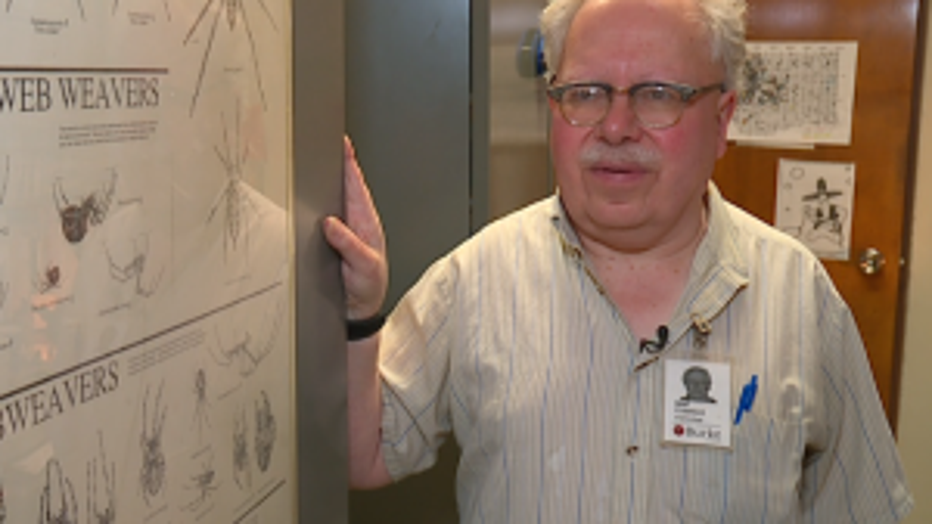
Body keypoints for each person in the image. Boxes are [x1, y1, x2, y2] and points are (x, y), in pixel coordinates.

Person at [324, 0, 914, 521]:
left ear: (722, 120)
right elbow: (367, 453)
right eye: (586, 93)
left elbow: (861, 507)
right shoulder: (476, 279)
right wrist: (358, 310)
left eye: (658, 94)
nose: (615, 127)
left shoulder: (799, 295)